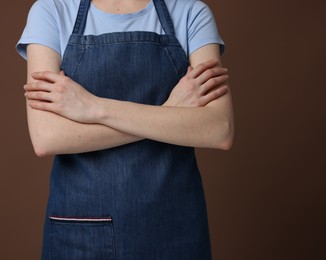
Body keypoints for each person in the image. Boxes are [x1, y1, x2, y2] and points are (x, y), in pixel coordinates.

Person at [16, 0, 234, 259]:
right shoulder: (52, 10)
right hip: (81, 231)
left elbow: (219, 129)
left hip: (175, 226)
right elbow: (47, 137)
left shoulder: (190, 12)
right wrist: (168, 112)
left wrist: (95, 108)